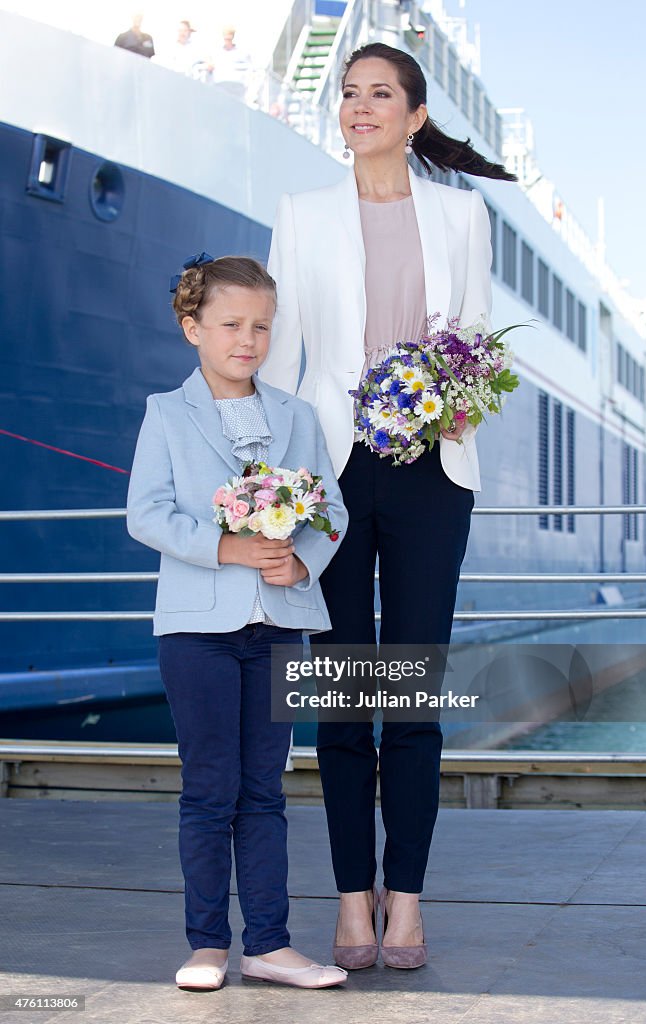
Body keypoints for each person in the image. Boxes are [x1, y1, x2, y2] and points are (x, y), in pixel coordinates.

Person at [259, 42, 516, 970]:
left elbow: (478, 346)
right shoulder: (302, 212)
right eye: (348, 94)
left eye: (380, 95)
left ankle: (403, 900)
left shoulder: (461, 215)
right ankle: (349, 901)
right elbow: (284, 360)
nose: (359, 107)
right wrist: (268, 483)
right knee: (340, 697)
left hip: (430, 471)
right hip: (334, 476)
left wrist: (438, 400)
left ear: (412, 117)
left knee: (408, 702)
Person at [127, 254, 348, 990]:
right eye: (229, 325)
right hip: (196, 629)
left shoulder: (296, 416)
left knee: (264, 792)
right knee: (208, 788)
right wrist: (229, 546)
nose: (246, 339)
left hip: (279, 625)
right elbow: (147, 514)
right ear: (193, 328)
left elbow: (332, 512)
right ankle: (206, 946)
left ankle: (270, 944)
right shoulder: (166, 412)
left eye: (260, 325)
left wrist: (303, 561)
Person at [208, 24, 254, 100]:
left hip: (236, 88)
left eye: (229, 38)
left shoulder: (242, 53)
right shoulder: (216, 53)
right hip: (220, 87)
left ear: (233, 37)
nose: (227, 41)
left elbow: (250, 70)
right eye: (226, 38)